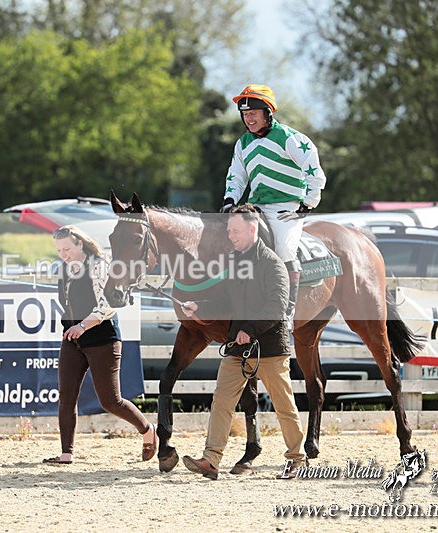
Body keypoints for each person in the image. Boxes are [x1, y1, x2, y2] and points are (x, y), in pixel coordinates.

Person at [180, 205, 305, 480]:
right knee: (222, 401)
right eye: (228, 231)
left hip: (270, 349)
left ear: (252, 229)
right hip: (238, 347)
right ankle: (211, 460)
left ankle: (297, 459)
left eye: (235, 231)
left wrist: (249, 328)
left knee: (284, 405)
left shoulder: (273, 265)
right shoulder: (235, 263)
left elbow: (277, 307)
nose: (231, 236)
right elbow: (225, 301)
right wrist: (199, 306)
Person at [43, 225, 157, 465]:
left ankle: (147, 430)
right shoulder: (65, 269)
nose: (63, 254)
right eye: (59, 250)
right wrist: (71, 327)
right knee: (66, 396)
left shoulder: (100, 266)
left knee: (110, 401)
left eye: (66, 249)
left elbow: (108, 306)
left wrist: (82, 326)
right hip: (73, 339)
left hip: (102, 339)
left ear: (79, 244)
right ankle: (66, 453)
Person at [220, 84, 327, 330]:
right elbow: (236, 176)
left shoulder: (290, 138)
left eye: (254, 113)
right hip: (255, 207)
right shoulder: (243, 143)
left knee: (284, 249)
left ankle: (286, 312)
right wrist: (229, 200)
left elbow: (314, 170)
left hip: (287, 208)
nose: (249, 118)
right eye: (245, 114)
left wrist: (308, 202)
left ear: (268, 112)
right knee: (228, 242)